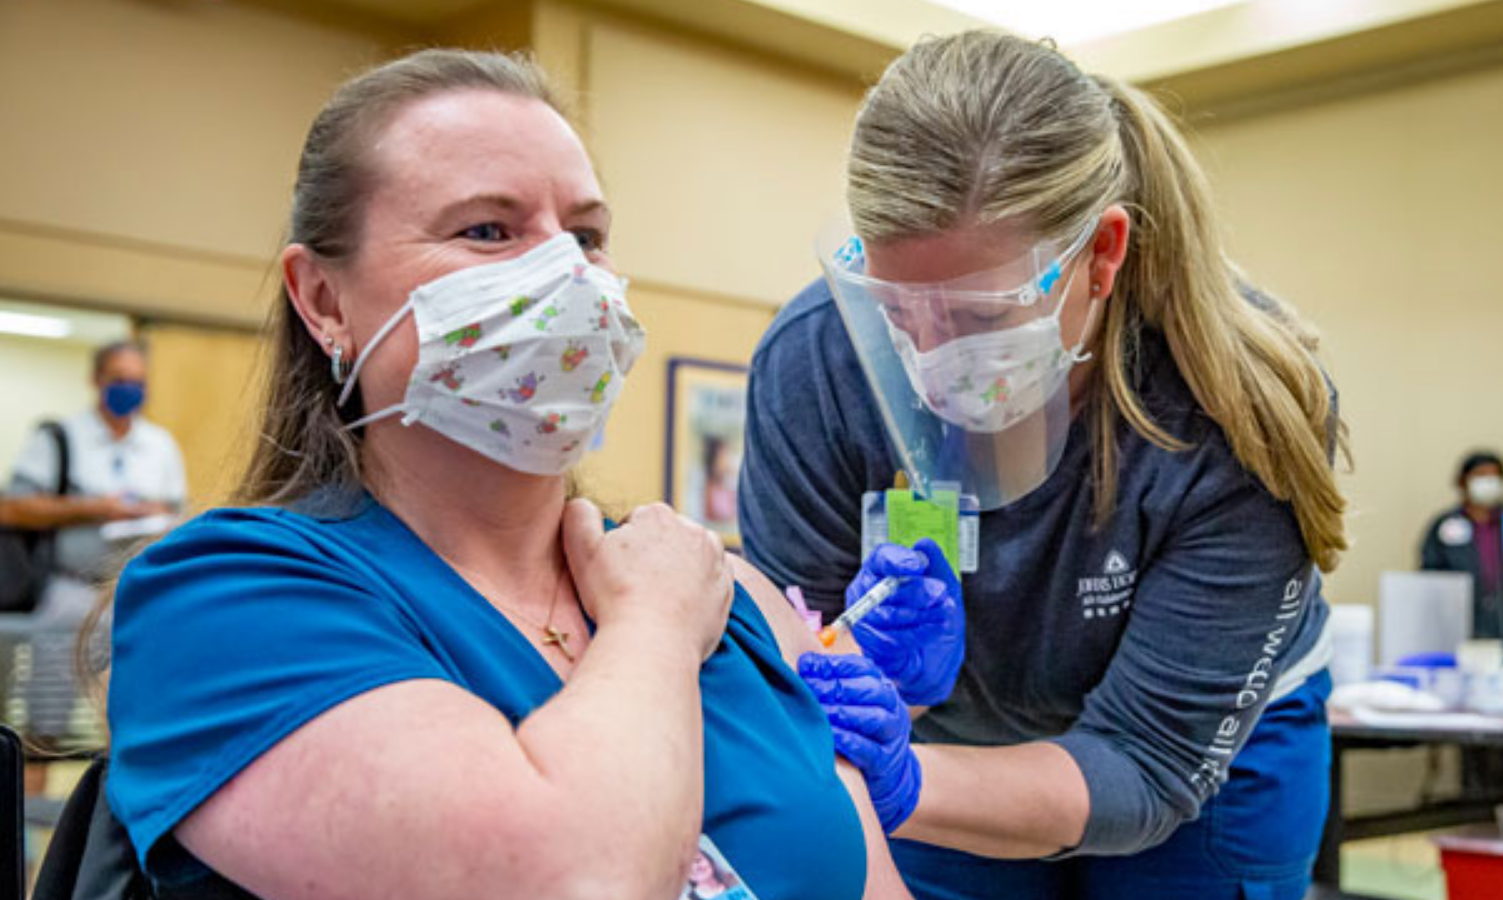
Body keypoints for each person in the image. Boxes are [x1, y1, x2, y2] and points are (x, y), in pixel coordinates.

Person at [100, 49, 910, 900]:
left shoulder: (729, 596)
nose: (571, 278)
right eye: (488, 230)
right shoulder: (222, 601)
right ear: (325, 302)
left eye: (587, 236)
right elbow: (573, 879)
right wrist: (656, 627)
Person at [740, 31, 1348, 900]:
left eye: (980, 315)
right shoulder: (817, 364)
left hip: (1199, 745)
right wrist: (876, 690)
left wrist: (909, 782)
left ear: (1102, 256)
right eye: (899, 309)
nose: (928, 354)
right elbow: (795, 664)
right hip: (943, 733)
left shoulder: (1238, 400)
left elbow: (1146, 763)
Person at [2, 340, 184, 791]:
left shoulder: (159, 446)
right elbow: (13, 509)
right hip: (68, 596)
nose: (129, 391)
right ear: (97, 380)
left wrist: (152, 514)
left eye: (138, 383)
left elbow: (178, 514)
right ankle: (24, 848)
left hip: (133, 596)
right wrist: (95, 508)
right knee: (45, 726)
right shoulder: (60, 438)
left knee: (126, 723)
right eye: (120, 380)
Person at [1420, 450, 1503, 639]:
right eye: (1481, 475)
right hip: (1457, 628)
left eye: (1494, 476)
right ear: (1463, 480)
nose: (1488, 482)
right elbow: (1429, 577)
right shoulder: (1445, 525)